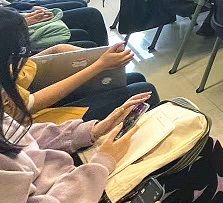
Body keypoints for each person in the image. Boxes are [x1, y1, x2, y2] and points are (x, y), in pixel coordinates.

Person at [0, 11, 223, 203]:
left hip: (66, 177)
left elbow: (22, 135)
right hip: (75, 198)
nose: (16, 73)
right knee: (203, 155)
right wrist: (102, 163)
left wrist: (91, 131)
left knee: (197, 144)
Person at [1, 12, 159, 122]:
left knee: (135, 78)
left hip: (23, 95)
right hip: (33, 125)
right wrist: (99, 65)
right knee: (145, 90)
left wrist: (58, 51)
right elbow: (31, 104)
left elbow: (18, 69)